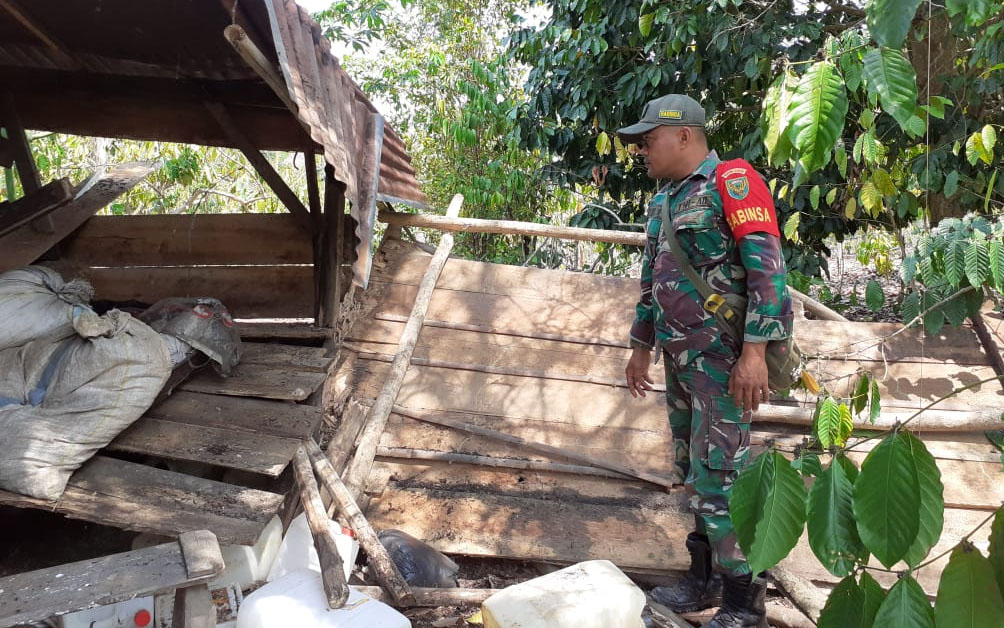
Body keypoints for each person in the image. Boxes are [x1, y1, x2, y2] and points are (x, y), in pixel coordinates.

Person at [617, 94, 793, 628]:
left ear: (685, 136)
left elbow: (768, 272)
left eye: (650, 139)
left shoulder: (732, 182)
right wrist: (640, 347)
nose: (642, 149)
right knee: (693, 471)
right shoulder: (663, 200)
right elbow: (653, 282)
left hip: (724, 360)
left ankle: (745, 601)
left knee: (721, 473)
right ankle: (703, 580)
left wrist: (756, 352)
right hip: (679, 360)